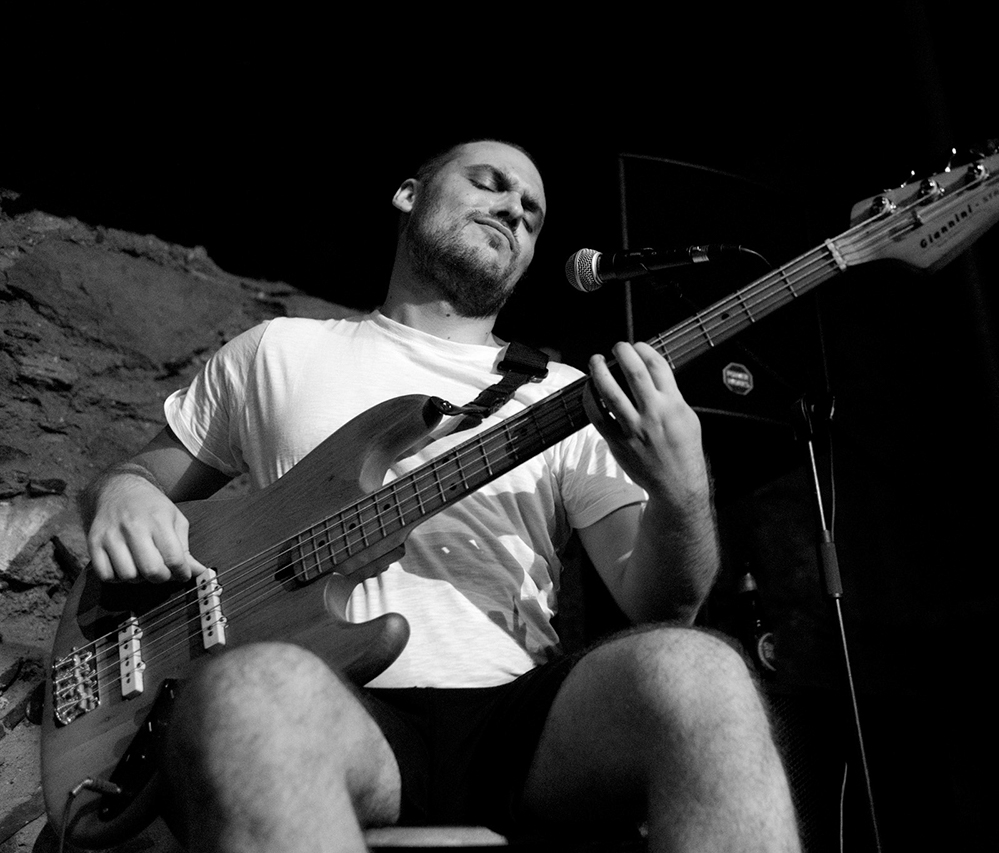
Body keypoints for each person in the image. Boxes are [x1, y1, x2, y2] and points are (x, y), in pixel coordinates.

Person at [80, 138, 801, 852]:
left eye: (532, 213)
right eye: (489, 183)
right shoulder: (278, 350)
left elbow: (664, 605)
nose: (514, 210)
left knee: (704, 672)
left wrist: (682, 490)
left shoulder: (569, 397)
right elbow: (141, 476)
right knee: (243, 692)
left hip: (518, 721)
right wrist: (125, 493)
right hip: (329, 703)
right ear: (408, 194)